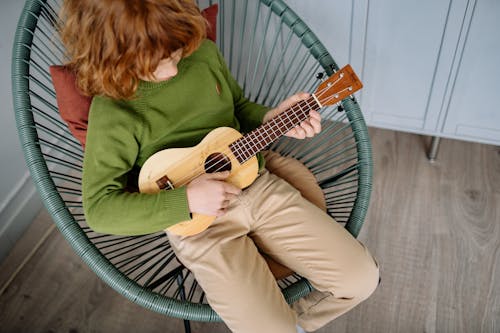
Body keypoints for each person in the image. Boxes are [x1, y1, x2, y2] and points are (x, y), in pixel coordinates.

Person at [60, 0, 379, 332]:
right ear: (111, 54)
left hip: (258, 185)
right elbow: (99, 208)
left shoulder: (202, 56)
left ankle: (295, 324)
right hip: (201, 227)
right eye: (155, 63)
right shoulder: (112, 113)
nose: (171, 69)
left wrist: (272, 117)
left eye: (175, 52)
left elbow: (237, 109)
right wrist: (186, 201)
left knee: (362, 278)